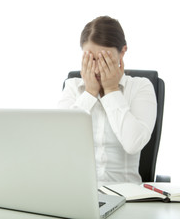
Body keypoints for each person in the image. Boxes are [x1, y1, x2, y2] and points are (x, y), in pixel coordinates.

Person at [58, 16, 157, 184]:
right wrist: (89, 93)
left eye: (104, 59)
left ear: (122, 52)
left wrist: (111, 90)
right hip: (78, 191)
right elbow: (59, 142)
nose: (97, 68)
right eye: (91, 59)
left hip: (127, 196)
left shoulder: (141, 87)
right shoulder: (72, 87)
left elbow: (133, 144)